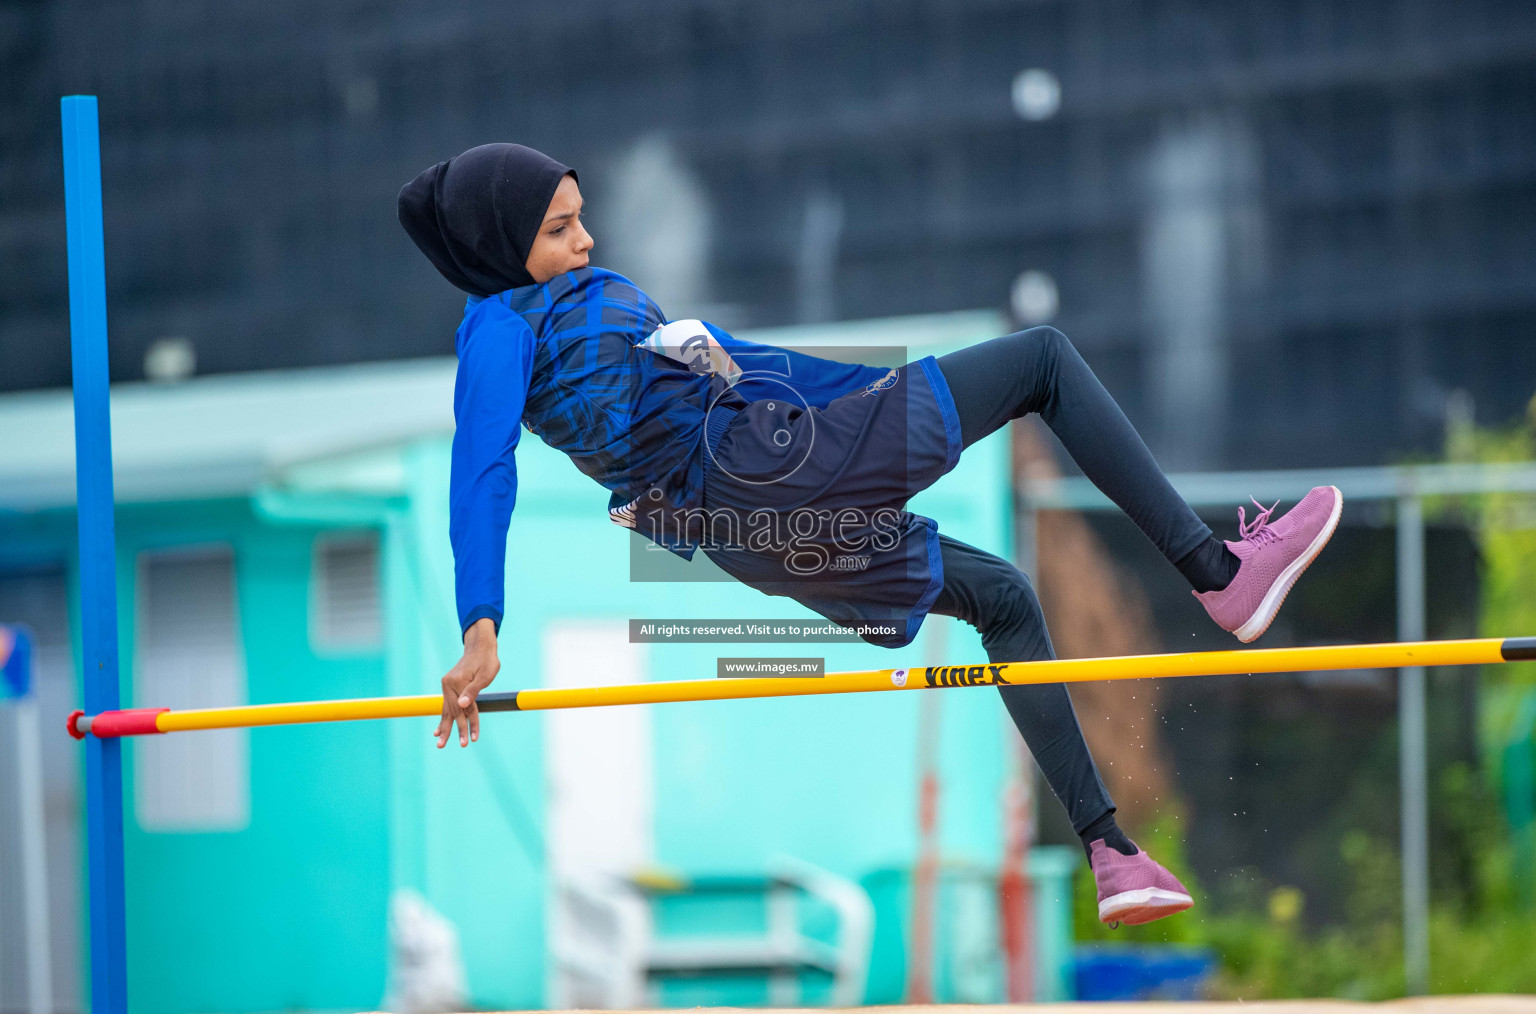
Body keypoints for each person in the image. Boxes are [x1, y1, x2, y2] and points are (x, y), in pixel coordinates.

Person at [397, 143, 1343, 927]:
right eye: (559, 228)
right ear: (497, 244)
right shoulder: (498, 330)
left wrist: (860, 394)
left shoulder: (568, 311)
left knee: (1005, 598)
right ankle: (1219, 573)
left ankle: (1112, 853)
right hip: (766, 468)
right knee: (1043, 363)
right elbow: (480, 471)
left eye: (580, 216)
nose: (586, 238)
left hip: (748, 530)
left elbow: (743, 369)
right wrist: (481, 621)